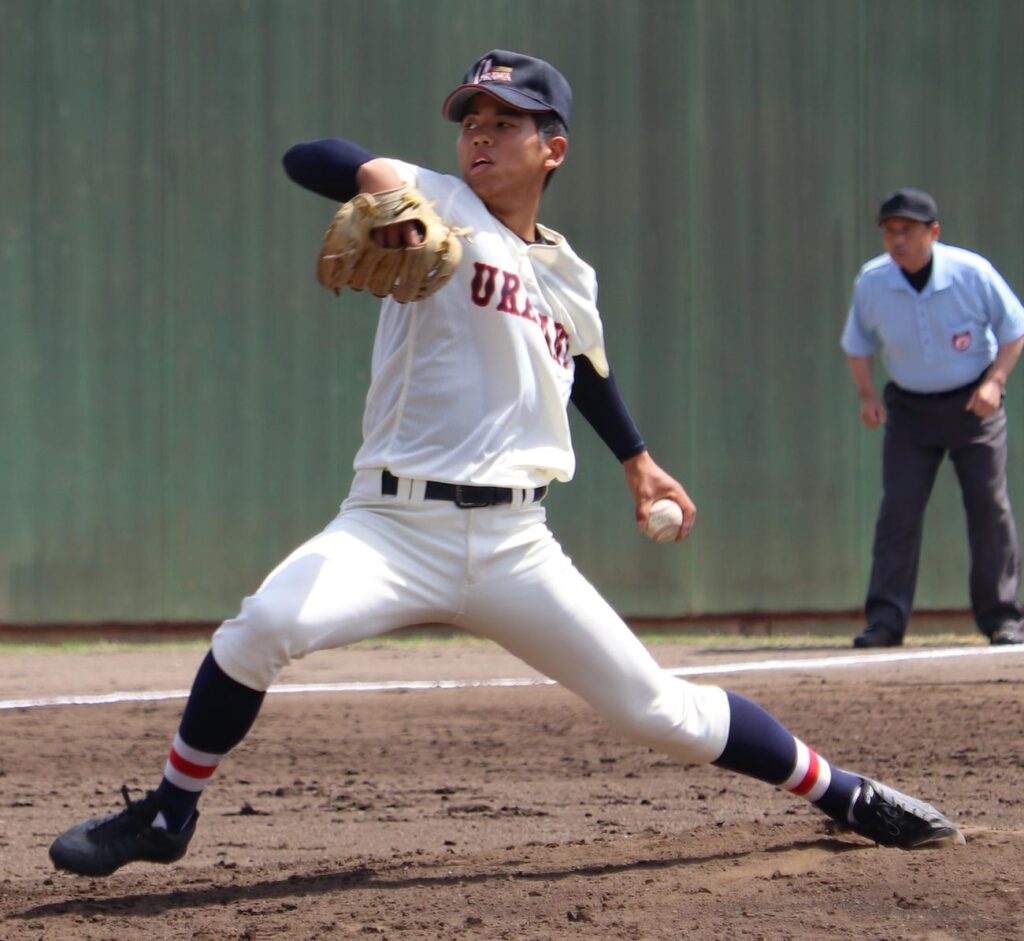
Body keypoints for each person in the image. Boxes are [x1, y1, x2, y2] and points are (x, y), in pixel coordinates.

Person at [49, 51, 963, 878]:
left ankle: (845, 792)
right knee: (258, 629)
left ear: (551, 149)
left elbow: (586, 369)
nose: (480, 133)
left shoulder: (569, 272)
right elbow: (308, 154)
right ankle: (170, 812)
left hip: (518, 542)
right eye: (471, 120)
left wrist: (639, 462)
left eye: (505, 120)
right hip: (389, 528)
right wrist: (377, 181)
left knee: (659, 711)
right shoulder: (432, 199)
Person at [842, 187, 1024, 649]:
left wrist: (995, 381)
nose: (897, 241)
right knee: (898, 511)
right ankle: (884, 622)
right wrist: (866, 396)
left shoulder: (971, 273)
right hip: (910, 409)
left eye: (908, 231)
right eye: (889, 231)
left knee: (988, 506)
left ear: (933, 232)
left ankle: (1003, 619)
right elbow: (857, 344)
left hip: (973, 405)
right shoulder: (873, 281)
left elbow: (1014, 329)